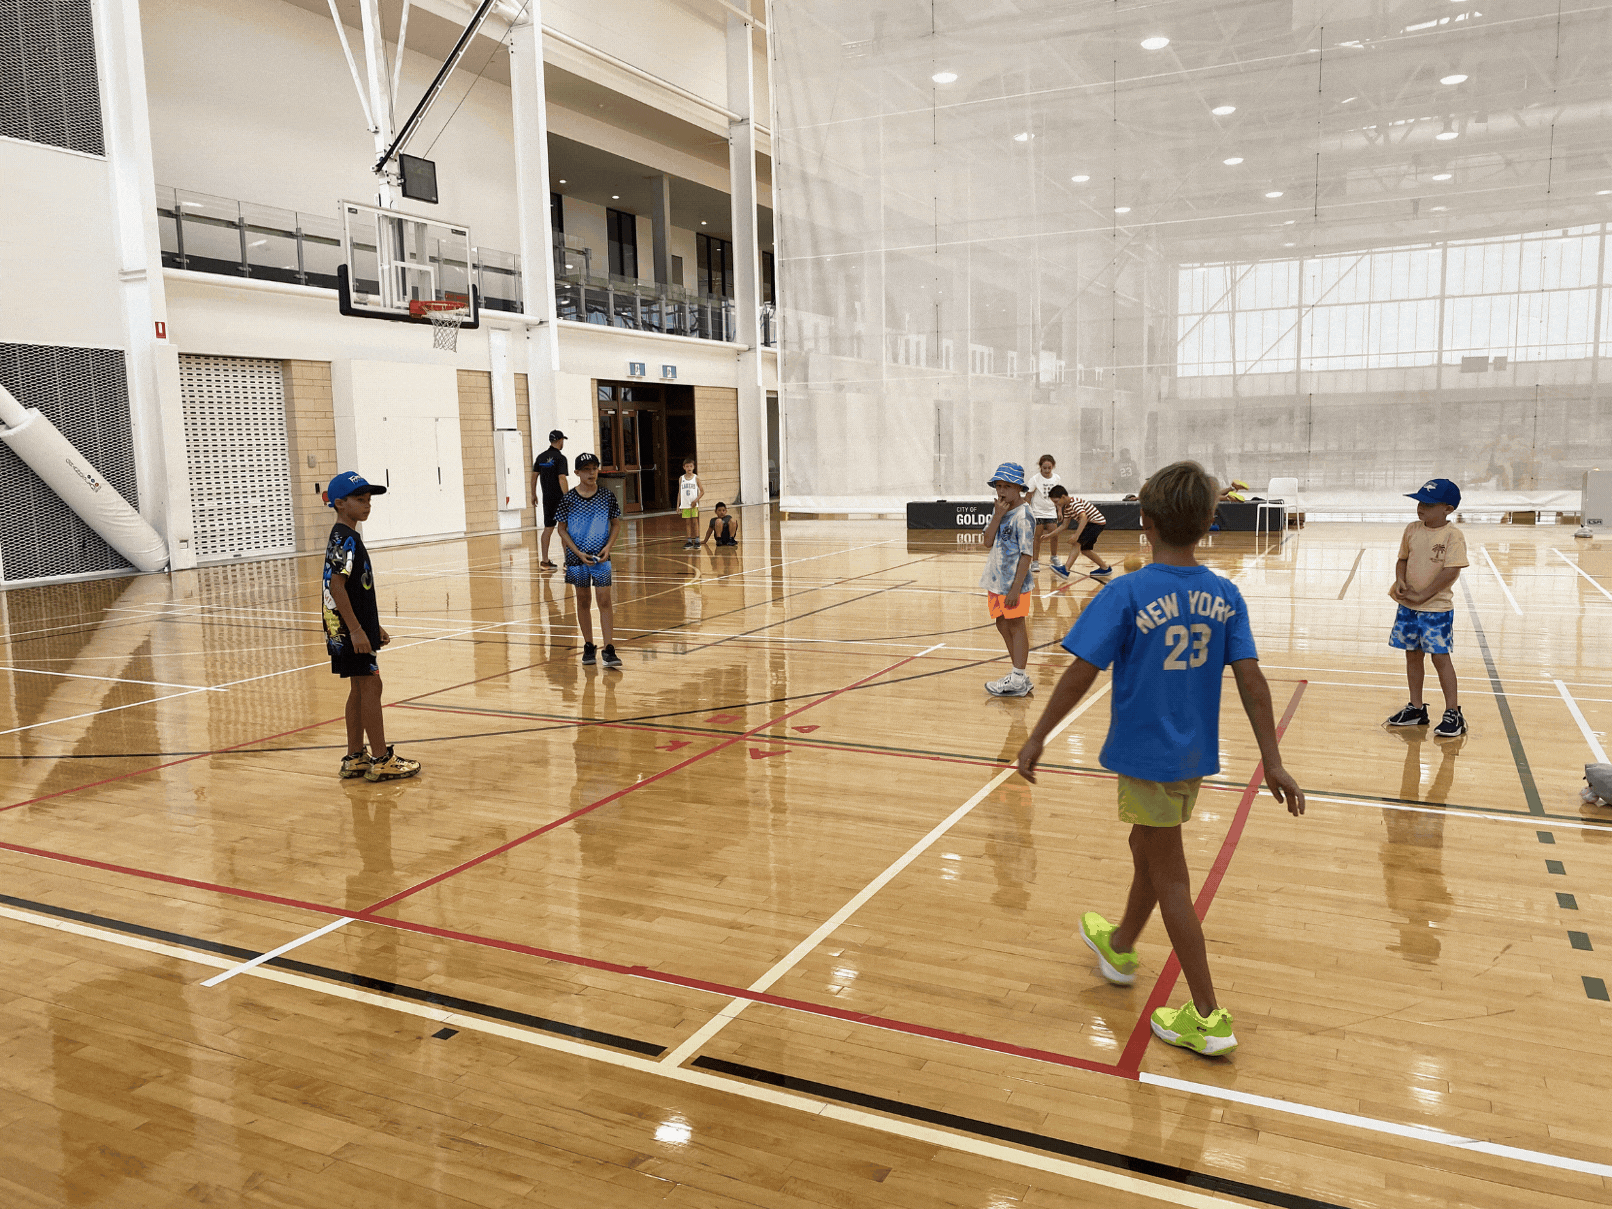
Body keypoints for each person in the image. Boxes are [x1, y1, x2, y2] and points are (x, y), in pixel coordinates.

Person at [1014, 461, 1304, 1056]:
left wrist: (1039, 734)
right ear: (1208, 524)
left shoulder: (1126, 590)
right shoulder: (1225, 594)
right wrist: (1272, 761)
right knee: (1146, 846)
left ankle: (1208, 1014)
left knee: (1170, 874)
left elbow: (1078, 674)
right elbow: (1254, 683)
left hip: (1147, 757)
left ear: (1144, 521)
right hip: (1194, 757)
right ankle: (1120, 942)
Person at [321, 471, 421, 783]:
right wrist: (356, 630)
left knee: (360, 686)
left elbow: (355, 588)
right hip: (347, 628)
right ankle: (381, 759)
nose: (367, 505)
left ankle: (355, 758)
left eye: (368, 500)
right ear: (340, 504)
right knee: (371, 686)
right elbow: (337, 587)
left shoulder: (347, 535)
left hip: (352, 626)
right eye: (359, 500)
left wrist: (371, 626)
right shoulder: (344, 538)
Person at [1386, 478, 1468, 738]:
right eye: (1420, 502)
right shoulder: (1412, 529)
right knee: (1412, 654)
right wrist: (1401, 580)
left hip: (1436, 610)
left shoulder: (1452, 535)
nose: (1421, 507)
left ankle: (1453, 712)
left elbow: (1451, 571)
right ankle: (1416, 708)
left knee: (1440, 659)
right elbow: (1403, 560)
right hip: (1409, 607)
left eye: (1429, 504)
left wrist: (1424, 595)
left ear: (1448, 509)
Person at [557, 453, 624, 669]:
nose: (591, 473)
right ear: (576, 473)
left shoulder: (607, 496)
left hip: (601, 558)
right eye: (586, 469)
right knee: (583, 600)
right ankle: (588, 645)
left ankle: (609, 648)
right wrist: (576, 553)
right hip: (578, 560)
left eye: (594, 468)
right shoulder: (568, 499)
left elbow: (616, 524)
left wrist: (608, 548)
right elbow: (561, 529)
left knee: (604, 600)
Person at [980, 462, 1037, 697]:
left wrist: (1015, 590)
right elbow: (987, 542)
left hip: (1015, 584)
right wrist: (997, 516)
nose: (1001, 491)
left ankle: (1017, 677)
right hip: (995, 582)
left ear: (1018, 488)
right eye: (998, 486)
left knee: (1016, 625)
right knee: (1002, 624)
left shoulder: (1024, 515)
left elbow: (1026, 555)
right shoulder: (1002, 511)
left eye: (1006, 486)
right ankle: (1018, 676)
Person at [1045, 485, 1112, 579]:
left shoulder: (1074, 503)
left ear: (1063, 497)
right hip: (1093, 524)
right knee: (1085, 550)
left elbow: (1084, 517)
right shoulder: (1067, 508)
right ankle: (1105, 568)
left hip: (1095, 523)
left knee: (1077, 543)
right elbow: (1064, 526)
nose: (1056, 505)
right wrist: (1049, 535)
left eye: (1056, 502)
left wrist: (1077, 535)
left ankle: (1066, 569)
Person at [533, 430, 569, 569]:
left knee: (548, 528)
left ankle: (545, 561)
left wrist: (533, 494)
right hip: (559, 498)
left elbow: (534, 476)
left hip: (547, 498)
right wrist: (567, 497)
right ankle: (568, 561)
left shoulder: (541, 457)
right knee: (563, 528)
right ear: (560, 440)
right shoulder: (561, 458)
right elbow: (562, 478)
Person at [1027, 454, 1063, 573]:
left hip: (1051, 511)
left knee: (1054, 534)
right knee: (1037, 537)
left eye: (1049, 468)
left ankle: (1054, 557)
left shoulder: (1056, 478)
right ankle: (1035, 561)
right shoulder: (1035, 479)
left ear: (1053, 467)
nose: (1047, 471)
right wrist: (1026, 511)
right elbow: (1028, 496)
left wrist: (1059, 510)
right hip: (1037, 512)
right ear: (1040, 467)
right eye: (1044, 468)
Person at [678, 457, 704, 548]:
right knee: (687, 522)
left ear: (694, 467)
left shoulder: (696, 478)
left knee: (695, 522)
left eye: (691, 466)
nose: (689, 468)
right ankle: (689, 540)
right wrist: (678, 505)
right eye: (687, 466)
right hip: (685, 505)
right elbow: (679, 493)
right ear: (684, 467)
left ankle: (697, 540)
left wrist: (695, 501)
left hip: (693, 504)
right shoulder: (681, 478)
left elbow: (702, 491)